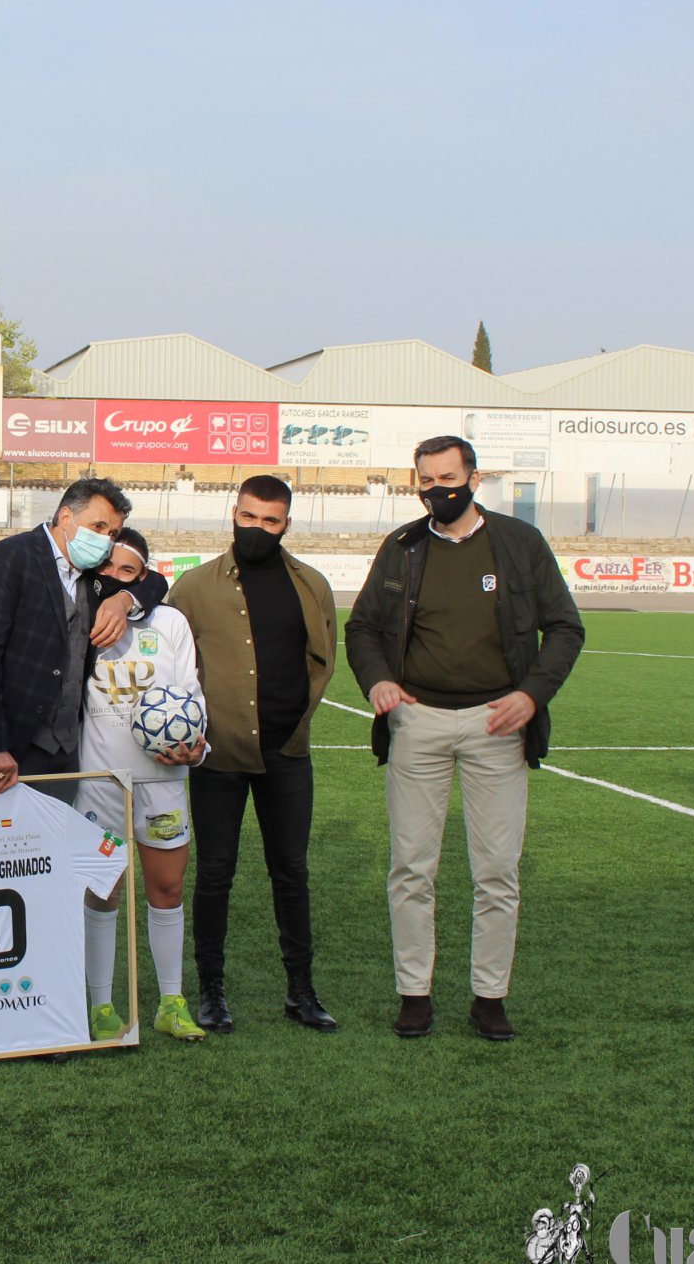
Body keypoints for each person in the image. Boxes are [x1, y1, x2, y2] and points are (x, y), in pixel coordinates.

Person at [345, 436, 584, 1041]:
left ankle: (489, 995)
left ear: (474, 478)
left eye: (447, 478)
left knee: (497, 871)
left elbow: (565, 628)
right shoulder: (401, 547)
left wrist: (532, 693)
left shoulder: (519, 543)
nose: (436, 490)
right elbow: (363, 628)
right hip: (417, 723)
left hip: (498, 725)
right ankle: (414, 993)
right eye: (426, 480)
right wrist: (377, 682)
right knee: (411, 868)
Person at [167, 474, 340, 1035]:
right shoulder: (194, 587)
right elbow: (168, 659)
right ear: (233, 514)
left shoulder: (311, 585)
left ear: (286, 523)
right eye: (249, 517)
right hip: (217, 755)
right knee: (215, 874)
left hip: (288, 753)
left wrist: (298, 721)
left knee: (291, 872)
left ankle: (301, 991)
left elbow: (322, 660)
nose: (258, 529)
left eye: (271, 521)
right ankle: (212, 992)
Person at [0, 478, 167, 799]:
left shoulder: (92, 569)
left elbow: (153, 581)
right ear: (66, 518)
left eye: (112, 533)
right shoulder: (10, 557)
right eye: (97, 526)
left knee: (55, 847)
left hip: (64, 752)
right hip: (6, 750)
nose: (105, 540)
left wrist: (122, 600)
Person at [72, 528, 210, 1043]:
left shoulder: (170, 622)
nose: (112, 577)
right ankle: (101, 1005)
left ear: (144, 577)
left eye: (126, 571)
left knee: (168, 889)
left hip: (163, 779)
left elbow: (190, 695)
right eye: (104, 568)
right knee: (102, 889)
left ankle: (170, 1002)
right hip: (99, 782)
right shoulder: (79, 617)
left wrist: (199, 746)